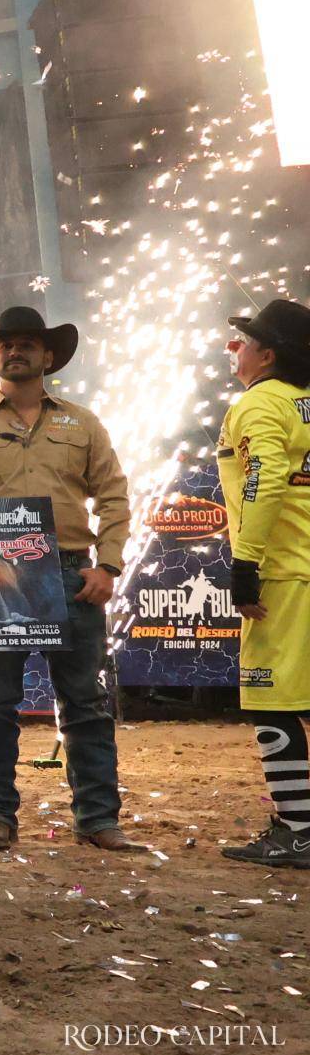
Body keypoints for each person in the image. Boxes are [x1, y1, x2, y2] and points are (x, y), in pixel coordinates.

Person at [0, 307, 138, 854]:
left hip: (73, 574)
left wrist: (108, 566)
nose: (15, 351)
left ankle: (97, 818)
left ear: (48, 356)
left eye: (28, 343)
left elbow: (114, 495)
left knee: (86, 704)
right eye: (5, 345)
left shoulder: (84, 423)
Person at [214, 299, 310, 867]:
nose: (234, 348)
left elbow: (265, 480)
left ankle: (297, 829)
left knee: (271, 703)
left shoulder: (260, 403)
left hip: (283, 573)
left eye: (242, 341)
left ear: (267, 355)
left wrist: (245, 563)